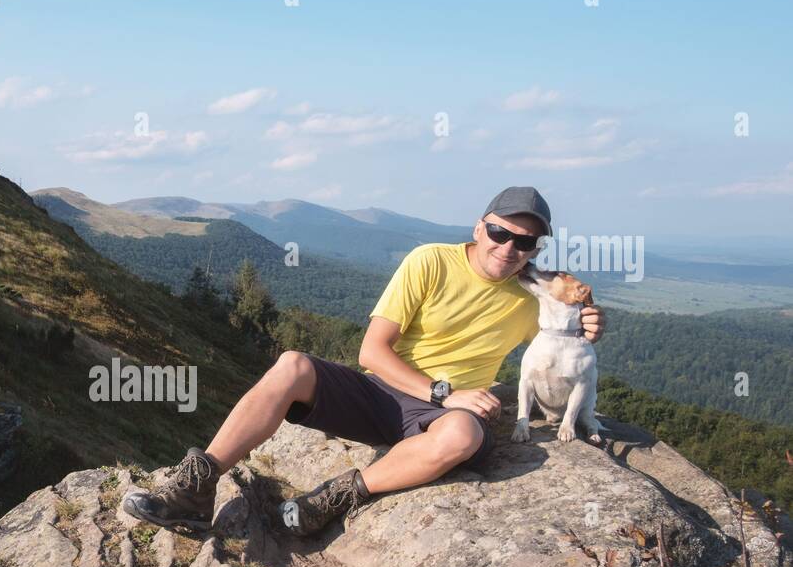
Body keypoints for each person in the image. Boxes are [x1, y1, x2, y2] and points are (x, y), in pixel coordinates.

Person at [122, 186, 606, 537]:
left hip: (442, 420)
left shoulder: (530, 299)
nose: (509, 248)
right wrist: (443, 391)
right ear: (480, 227)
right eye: (501, 232)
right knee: (292, 364)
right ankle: (195, 489)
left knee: (462, 433)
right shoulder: (430, 261)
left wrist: (586, 325)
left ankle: (334, 498)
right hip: (387, 391)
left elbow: (564, 338)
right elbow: (371, 352)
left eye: (526, 243)